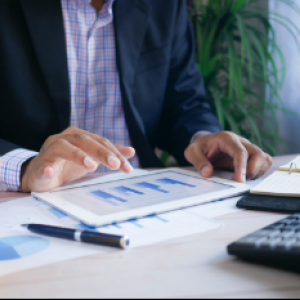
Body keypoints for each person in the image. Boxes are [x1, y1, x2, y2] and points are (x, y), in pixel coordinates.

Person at [0, 0, 272, 193]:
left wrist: (203, 138)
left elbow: (183, 102)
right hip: (28, 200)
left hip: (141, 195)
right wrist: (25, 169)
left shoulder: (164, 4)